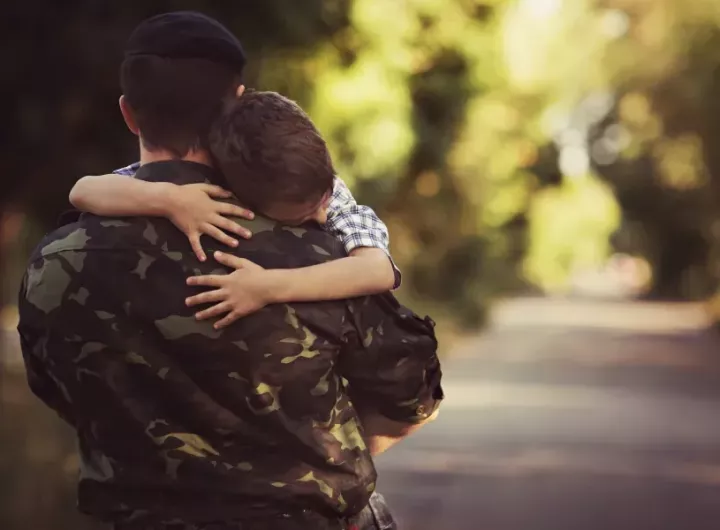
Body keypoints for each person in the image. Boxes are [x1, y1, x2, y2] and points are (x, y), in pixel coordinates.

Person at [17, 12, 443, 530]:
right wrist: (319, 467)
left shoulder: (58, 262)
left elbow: (58, 390)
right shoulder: (322, 257)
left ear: (130, 114)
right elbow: (412, 398)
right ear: (236, 101)